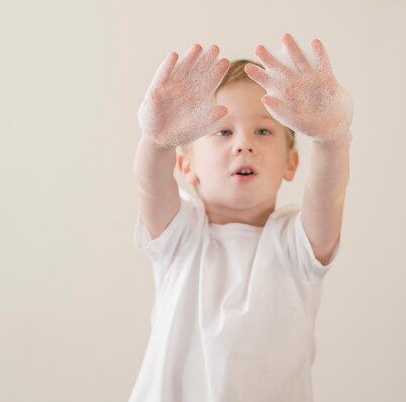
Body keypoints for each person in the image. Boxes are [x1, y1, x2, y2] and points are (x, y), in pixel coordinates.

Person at [130, 33, 353, 402]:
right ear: (186, 164)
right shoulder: (181, 235)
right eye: (223, 131)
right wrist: (155, 142)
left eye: (263, 131)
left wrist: (332, 141)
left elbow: (329, 195)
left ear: (291, 162)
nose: (243, 144)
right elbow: (151, 187)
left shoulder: (296, 246)